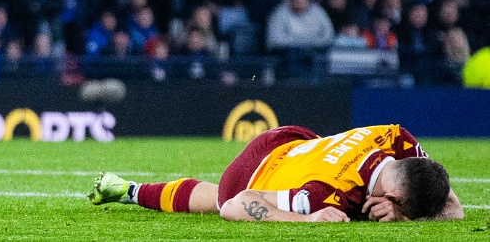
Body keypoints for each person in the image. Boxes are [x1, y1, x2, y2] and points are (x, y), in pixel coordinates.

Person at [91, 124, 463, 222]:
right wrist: (309, 219)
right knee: (217, 198)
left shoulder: (397, 138)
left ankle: (127, 189)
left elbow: (451, 205)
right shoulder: (323, 195)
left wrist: (402, 210)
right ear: (394, 197)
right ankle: (130, 190)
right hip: (248, 174)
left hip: (293, 140)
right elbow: (237, 206)